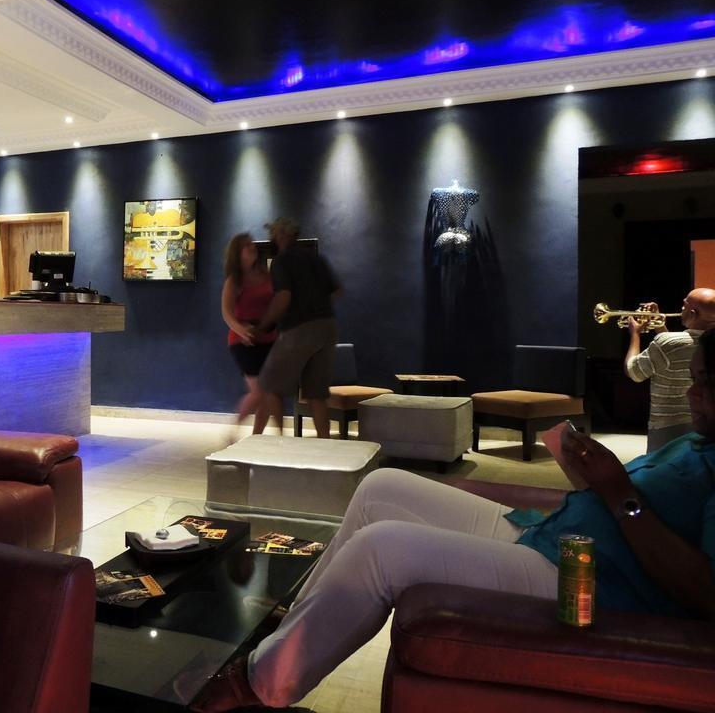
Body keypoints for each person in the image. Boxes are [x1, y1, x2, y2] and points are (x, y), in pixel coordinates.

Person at [194, 329, 715, 712]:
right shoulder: (696, 442)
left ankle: (259, 684)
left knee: (381, 550)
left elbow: (704, 593)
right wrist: (591, 480)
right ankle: (288, 629)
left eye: (703, 384)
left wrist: (618, 490)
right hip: (546, 532)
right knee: (380, 487)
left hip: (580, 577)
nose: (691, 394)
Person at [249, 218, 340, 437]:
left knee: (269, 385)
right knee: (317, 395)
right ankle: (326, 446)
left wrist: (262, 326)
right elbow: (336, 291)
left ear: (281, 235)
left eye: (273, 233)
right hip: (327, 327)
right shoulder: (316, 259)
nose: (272, 238)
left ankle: (270, 440)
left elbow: (283, 297)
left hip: (298, 329)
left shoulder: (282, 261)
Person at [625, 288, 715, 452]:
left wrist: (635, 334)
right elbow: (672, 352)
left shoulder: (668, 343)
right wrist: (660, 326)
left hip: (666, 429)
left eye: (684, 305)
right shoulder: (704, 345)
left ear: (693, 314)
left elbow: (634, 371)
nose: (681, 309)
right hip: (706, 424)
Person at [221, 233, 280, 433]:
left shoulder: (266, 274)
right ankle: (233, 432)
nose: (252, 247)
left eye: (252, 244)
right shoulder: (234, 280)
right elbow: (227, 313)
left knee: (268, 392)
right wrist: (243, 331)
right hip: (243, 342)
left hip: (268, 338)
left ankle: (256, 436)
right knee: (258, 392)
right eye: (246, 246)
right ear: (237, 253)